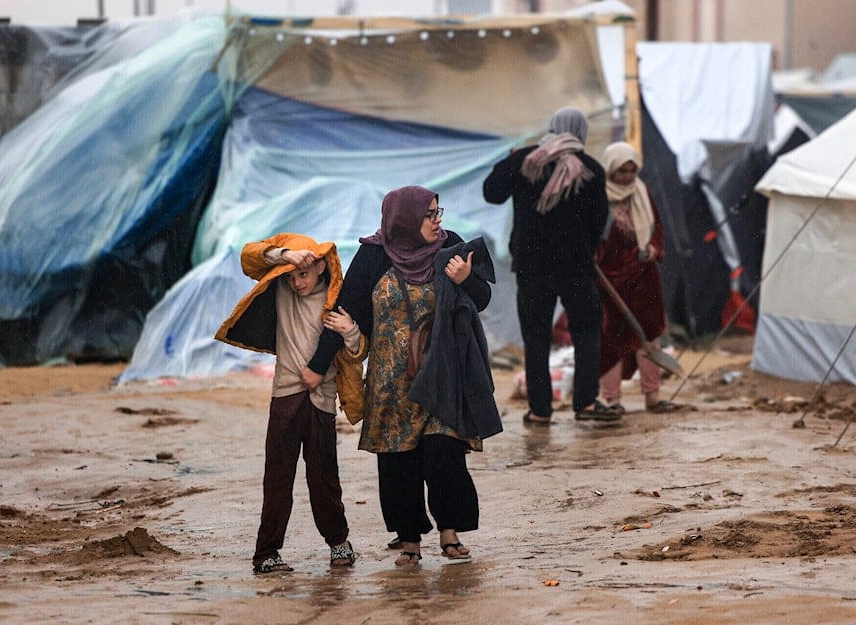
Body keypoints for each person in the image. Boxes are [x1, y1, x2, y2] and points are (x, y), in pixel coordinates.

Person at [306, 185, 501, 567]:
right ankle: (409, 540)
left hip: (443, 372)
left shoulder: (452, 247)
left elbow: (482, 299)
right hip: (390, 383)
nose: (437, 219)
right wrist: (316, 366)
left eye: (437, 211)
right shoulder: (374, 256)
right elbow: (347, 312)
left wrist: (465, 279)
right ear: (406, 219)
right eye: (429, 214)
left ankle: (450, 532)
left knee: (444, 455)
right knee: (399, 462)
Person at [214, 234, 364, 575]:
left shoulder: (337, 301)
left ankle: (339, 543)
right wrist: (287, 256)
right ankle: (266, 553)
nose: (297, 282)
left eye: (305, 275)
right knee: (278, 477)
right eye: (293, 275)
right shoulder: (282, 290)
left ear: (323, 267)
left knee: (324, 477)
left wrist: (351, 330)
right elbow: (250, 257)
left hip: (322, 401)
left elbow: (357, 353)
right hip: (285, 396)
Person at [483, 106, 620, 423]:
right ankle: (585, 403)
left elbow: (491, 193)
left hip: (532, 267)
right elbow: (599, 222)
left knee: (536, 336)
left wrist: (510, 159)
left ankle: (540, 411)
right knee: (586, 331)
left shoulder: (525, 160)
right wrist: (584, 246)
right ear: (580, 131)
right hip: (576, 267)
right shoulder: (591, 169)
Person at [596, 141, 681, 414]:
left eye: (631, 171)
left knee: (649, 335)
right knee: (611, 339)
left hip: (644, 277)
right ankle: (613, 400)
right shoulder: (598, 197)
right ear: (610, 171)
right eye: (622, 172)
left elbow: (656, 226)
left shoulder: (642, 192)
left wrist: (653, 248)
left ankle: (652, 396)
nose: (627, 177)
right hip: (611, 281)